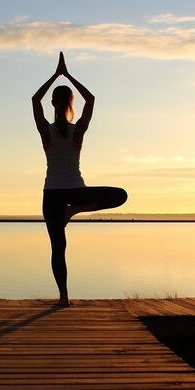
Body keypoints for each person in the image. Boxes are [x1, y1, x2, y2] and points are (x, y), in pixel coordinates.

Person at [32, 52, 127, 306]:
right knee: (120, 195)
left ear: (53, 103)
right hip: (76, 193)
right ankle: (74, 212)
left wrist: (56, 75)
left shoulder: (46, 132)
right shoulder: (77, 132)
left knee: (58, 248)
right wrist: (68, 75)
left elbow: (34, 99)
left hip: (52, 194)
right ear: (71, 103)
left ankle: (64, 298)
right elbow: (92, 99)